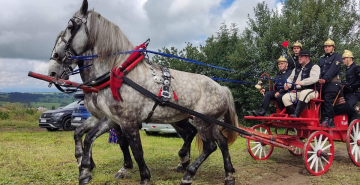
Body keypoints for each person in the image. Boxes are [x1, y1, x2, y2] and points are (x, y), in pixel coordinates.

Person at [282, 50, 320, 117]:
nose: (299, 58)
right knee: (285, 97)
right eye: (299, 57)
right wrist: (287, 85)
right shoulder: (296, 69)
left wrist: (301, 83)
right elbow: (290, 79)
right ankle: (295, 116)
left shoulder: (314, 67)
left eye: (301, 56)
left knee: (303, 93)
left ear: (307, 57)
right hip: (298, 91)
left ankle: (296, 114)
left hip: (312, 91)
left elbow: (314, 78)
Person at [318, 38, 343, 127]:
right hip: (323, 84)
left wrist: (325, 78)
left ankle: (329, 120)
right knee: (319, 100)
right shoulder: (322, 58)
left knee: (328, 100)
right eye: (326, 47)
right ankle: (321, 118)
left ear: (333, 47)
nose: (327, 48)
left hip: (333, 83)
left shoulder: (337, 56)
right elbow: (319, 70)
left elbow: (333, 69)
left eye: (329, 46)